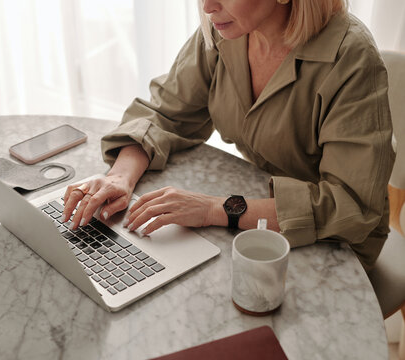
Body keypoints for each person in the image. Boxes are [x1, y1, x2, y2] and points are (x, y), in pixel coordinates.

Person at [61, 0, 395, 271]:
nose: (207, 7)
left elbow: (350, 207)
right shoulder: (227, 31)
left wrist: (213, 209)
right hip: (255, 210)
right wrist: (119, 178)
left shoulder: (351, 57)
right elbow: (165, 112)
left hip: (336, 242)